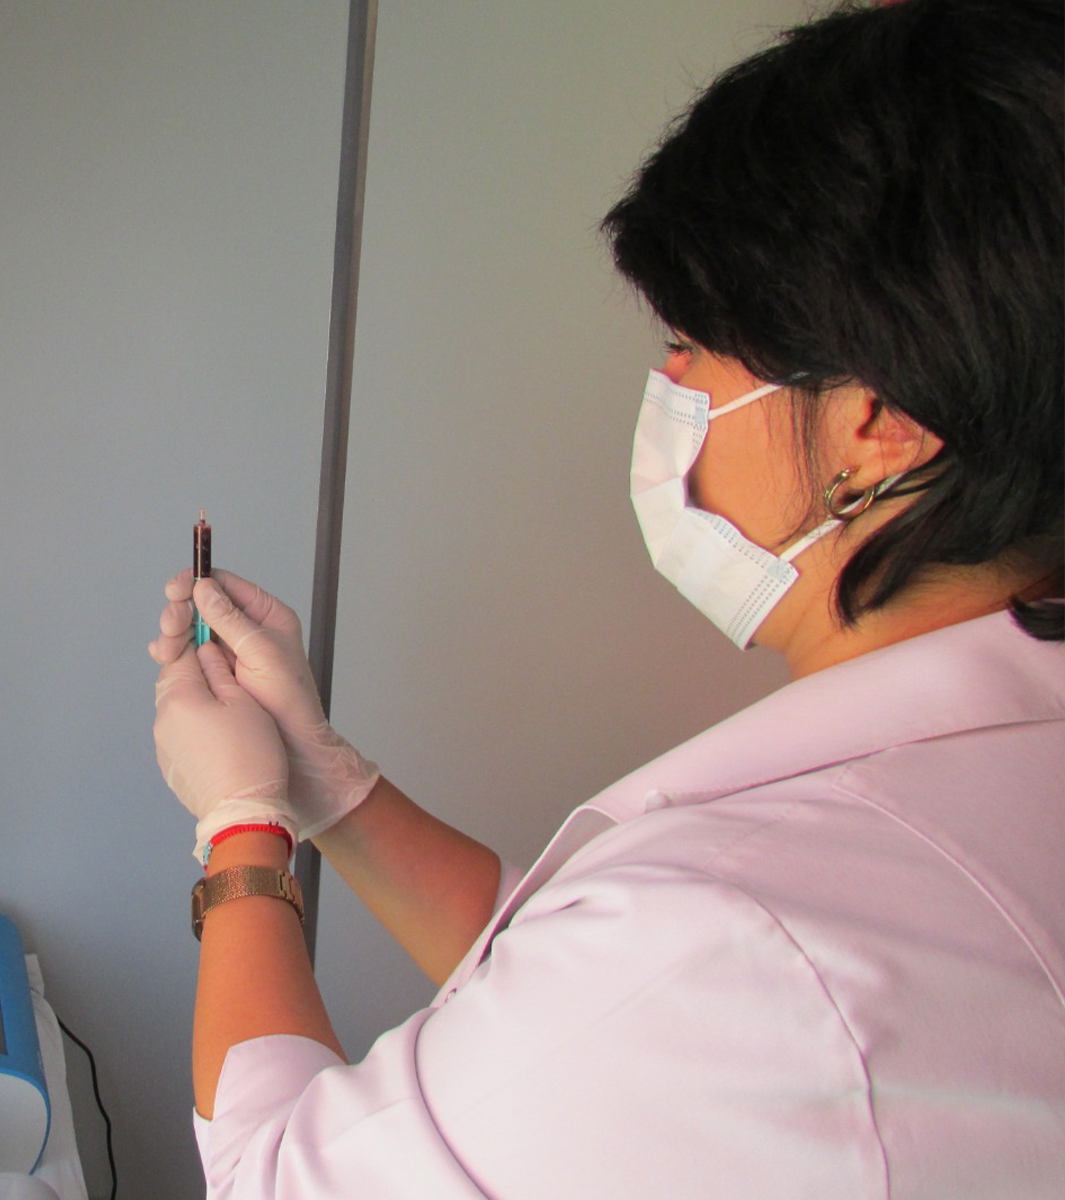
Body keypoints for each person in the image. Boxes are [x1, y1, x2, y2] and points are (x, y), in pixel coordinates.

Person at [148, 0, 1064, 1195]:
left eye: (689, 344)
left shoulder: (731, 945)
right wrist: (327, 783)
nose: (663, 385)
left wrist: (238, 830)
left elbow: (278, 1173)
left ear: (874, 424)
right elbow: (569, 987)